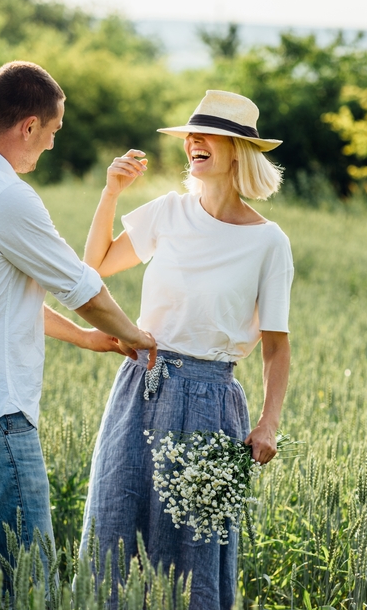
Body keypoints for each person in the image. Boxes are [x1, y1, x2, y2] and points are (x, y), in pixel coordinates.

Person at [0, 61, 157, 583]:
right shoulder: (7, 196)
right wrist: (134, 334)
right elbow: (82, 288)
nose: (49, 146)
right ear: (28, 125)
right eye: (50, 133)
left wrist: (89, 340)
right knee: (25, 590)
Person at [78, 90, 294, 609]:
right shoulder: (167, 212)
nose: (194, 142)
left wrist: (267, 423)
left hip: (209, 399)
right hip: (140, 384)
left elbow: (276, 347)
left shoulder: (269, 243)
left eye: (208, 135)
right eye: (190, 135)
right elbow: (95, 268)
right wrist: (111, 193)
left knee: (193, 550)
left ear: (237, 151)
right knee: (113, 527)